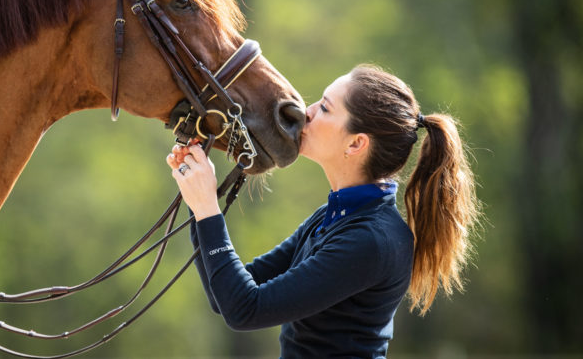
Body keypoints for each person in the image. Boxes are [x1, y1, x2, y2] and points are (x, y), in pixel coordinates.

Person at [166, 64, 481, 358]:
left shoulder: (371, 240)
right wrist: (199, 204)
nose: (307, 112)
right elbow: (227, 296)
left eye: (326, 108)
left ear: (356, 144)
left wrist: (207, 209)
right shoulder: (336, 216)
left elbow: (245, 309)